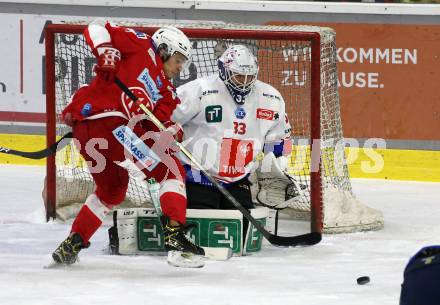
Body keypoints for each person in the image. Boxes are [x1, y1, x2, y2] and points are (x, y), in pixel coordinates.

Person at [52, 20, 204, 265]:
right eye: (177, 60)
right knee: (170, 171)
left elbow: (155, 125)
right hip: (107, 124)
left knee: (112, 191)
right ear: (164, 49)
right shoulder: (141, 44)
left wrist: (170, 129)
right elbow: (95, 27)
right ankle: (175, 237)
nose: (179, 68)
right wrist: (105, 50)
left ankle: (73, 243)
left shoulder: (166, 92)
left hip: (94, 134)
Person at [172, 44, 292, 215]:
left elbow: (280, 139)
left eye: (249, 77)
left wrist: (278, 166)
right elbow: (164, 120)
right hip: (197, 176)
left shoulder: (271, 97)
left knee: (241, 229)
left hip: (237, 179)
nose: (244, 83)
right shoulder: (199, 90)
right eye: (238, 76)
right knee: (204, 226)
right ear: (224, 70)